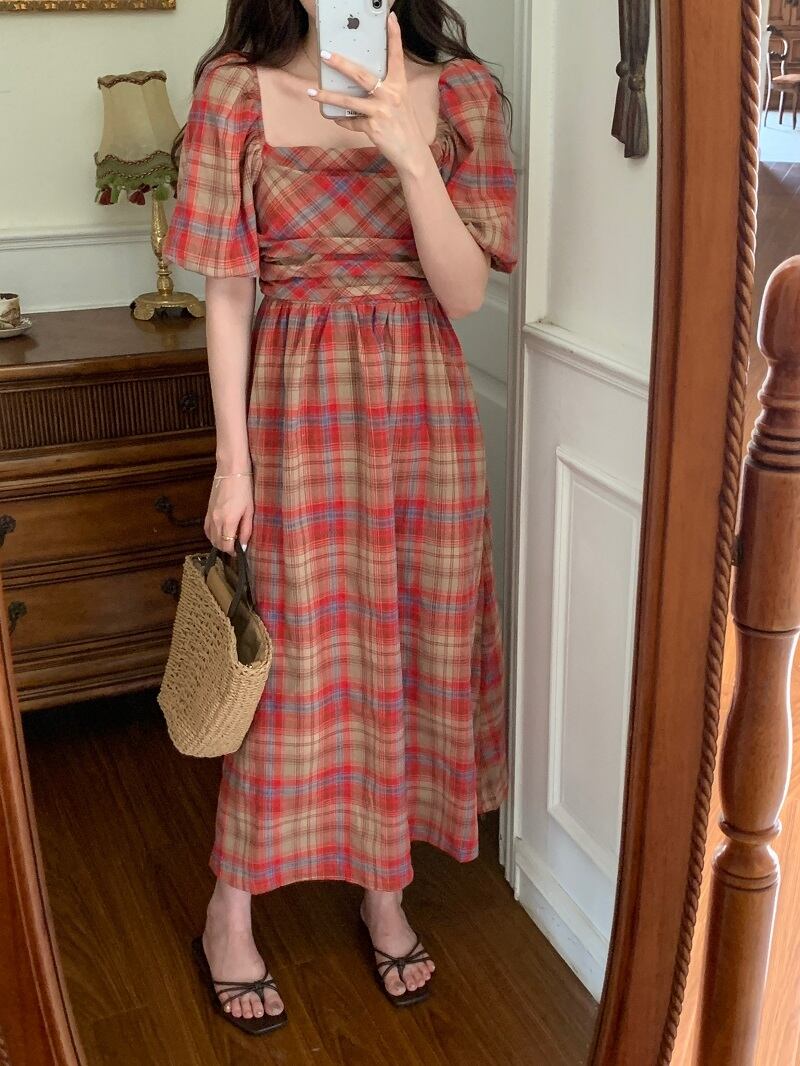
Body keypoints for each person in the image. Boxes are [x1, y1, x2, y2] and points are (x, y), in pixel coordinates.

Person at [162, 0, 518, 1035]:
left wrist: (408, 150)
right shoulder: (235, 91)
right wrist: (232, 466)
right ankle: (230, 909)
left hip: (424, 421)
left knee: (411, 647)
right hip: (295, 415)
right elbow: (229, 292)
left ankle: (384, 889)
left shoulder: (463, 94)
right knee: (291, 670)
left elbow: (463, 294)